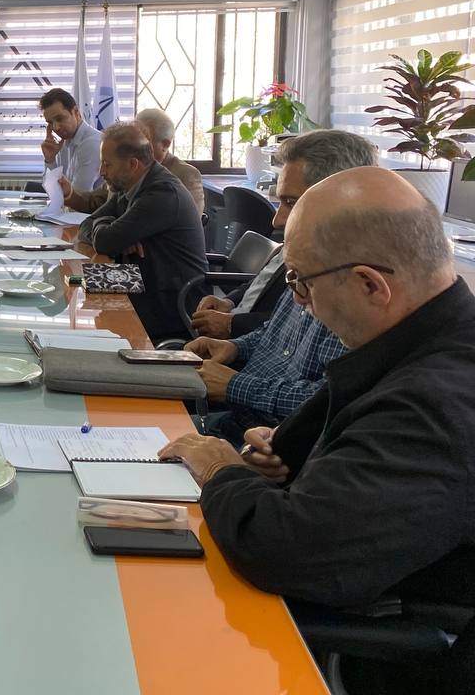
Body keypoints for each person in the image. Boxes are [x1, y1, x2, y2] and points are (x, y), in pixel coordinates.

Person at [161, 167, 475, 692]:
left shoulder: (431, 405)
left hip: (372, 649)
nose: (299, 303)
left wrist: (220, 469)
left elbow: (286, 551)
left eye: (301, 284)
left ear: (370, 285)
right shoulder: (424, 342)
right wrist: (292, 456)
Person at [190, 130, 377, 339]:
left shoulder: (340, 274)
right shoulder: (302, 243)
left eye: (290, 202)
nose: (276, 221)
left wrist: (233, 325)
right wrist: (229, 302)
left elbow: (290, 330)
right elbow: (263, 282)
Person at [78, 123, 207, 342]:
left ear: (132, 164)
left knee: (91, 326)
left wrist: (113, 232)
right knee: (81, 295)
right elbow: (87, 225)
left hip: (170, 303)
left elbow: (104, 241)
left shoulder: (161, 193)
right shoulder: (130, 185)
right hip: (145, 282)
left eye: (107, 164)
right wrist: (114, 230)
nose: (102, 172)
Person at [58, 108, 205, 214]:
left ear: (165, 145)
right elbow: (96, 202)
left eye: (143, 140)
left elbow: (183, 226)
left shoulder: (185, 175)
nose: (133, 146)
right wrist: (69, 193)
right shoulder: (126, 167)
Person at [38, 88, 102, 195]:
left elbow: (78, 196)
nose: (56, 127)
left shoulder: (92, 143)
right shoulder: (63, 144)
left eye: (60, 119)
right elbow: (53, 192)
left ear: (76, 112)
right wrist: (50, 160)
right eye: (50, 123)